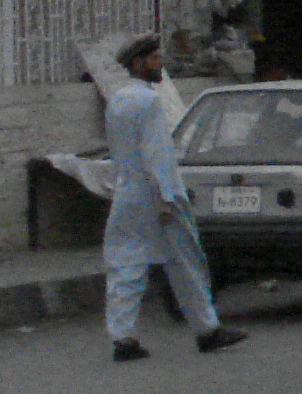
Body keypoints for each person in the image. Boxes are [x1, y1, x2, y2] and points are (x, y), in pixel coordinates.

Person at [100, 34, 246, 362]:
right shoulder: (149, 102)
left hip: (127, 194)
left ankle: (123, 339)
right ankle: (208, 330)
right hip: (156, 195)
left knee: (126, 265)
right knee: (186, 262)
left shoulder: (118, 100)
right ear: (138, 64)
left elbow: (122, 152)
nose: (158, 64)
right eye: (153, 59)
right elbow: (157, 154)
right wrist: (166, 197)